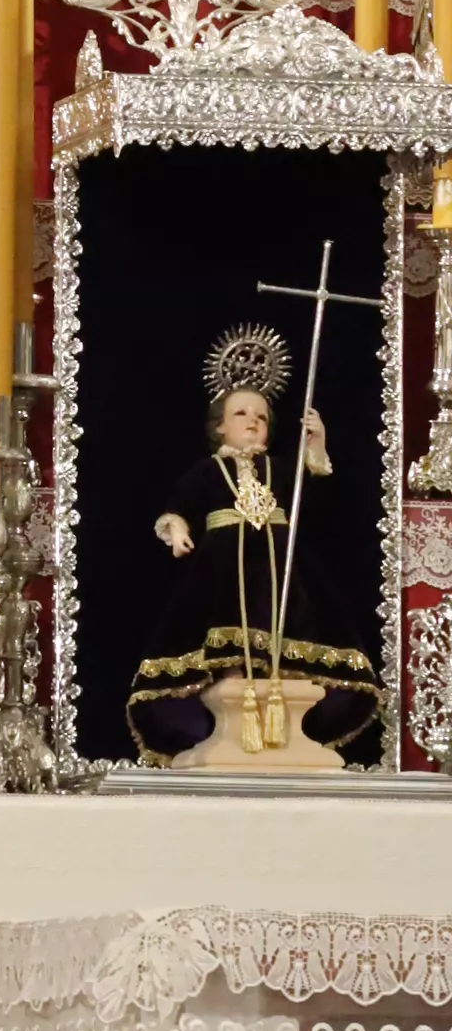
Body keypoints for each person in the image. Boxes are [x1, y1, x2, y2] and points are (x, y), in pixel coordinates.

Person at [126, 323, 377, 760]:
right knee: (225, 623)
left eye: (261, 417)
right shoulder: (207, 472)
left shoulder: (280, 470)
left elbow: (314, 502)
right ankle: (236, 679)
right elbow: (177, 508)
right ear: (219, 427)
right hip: (221, 564)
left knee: (289, 620)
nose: (253, 422)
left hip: (282, 563)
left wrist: (315, 448)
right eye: (241, 414)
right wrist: (178, 530)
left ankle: (279, 682)